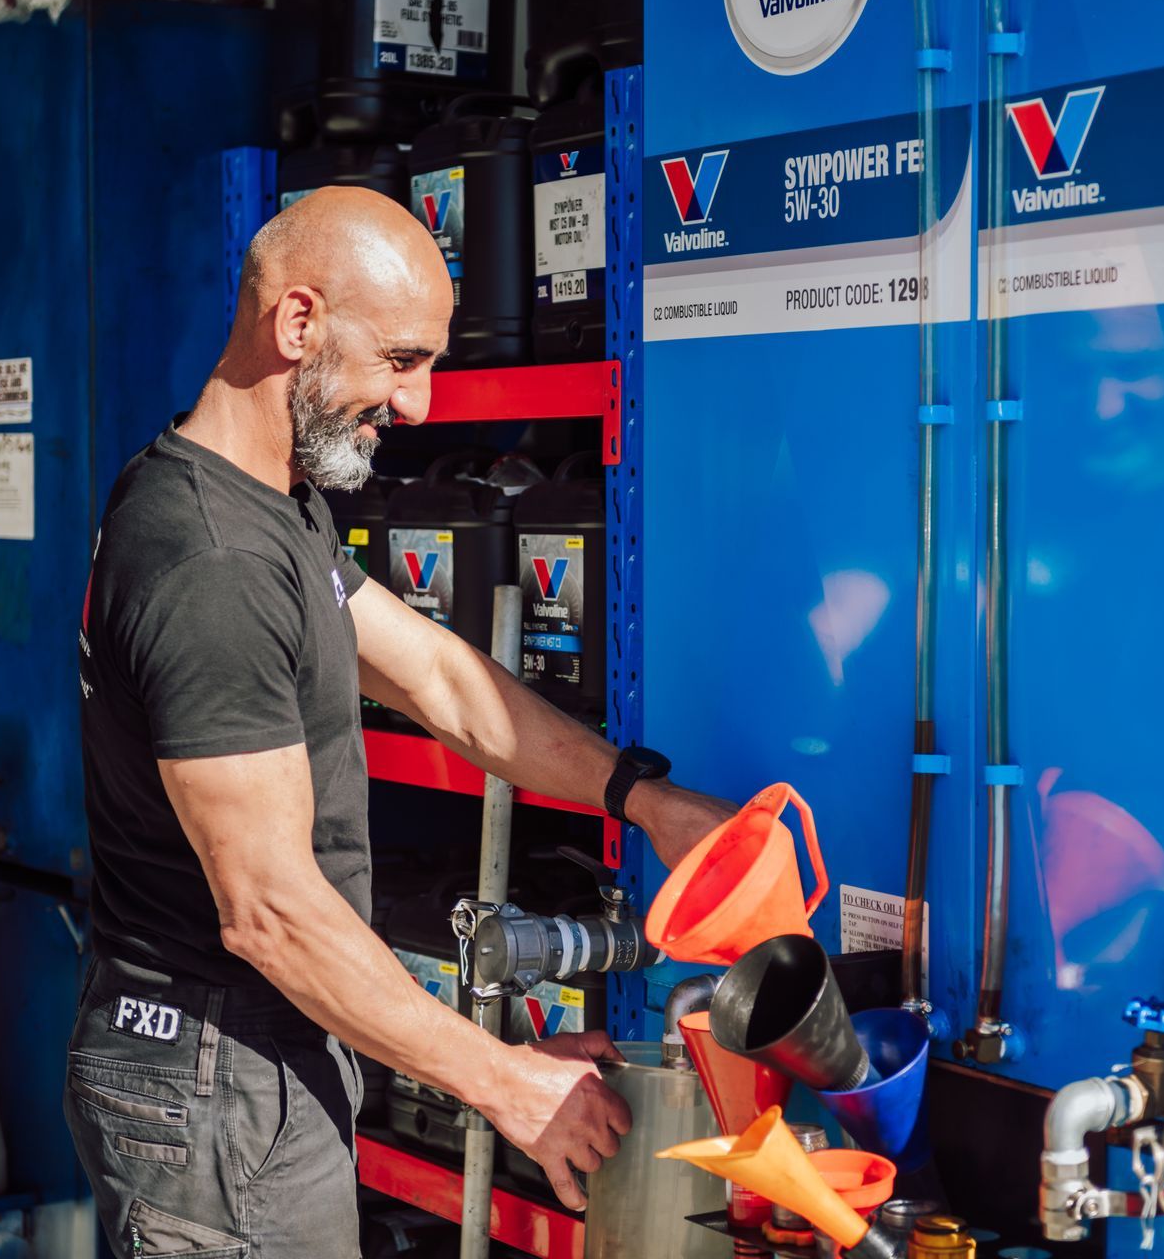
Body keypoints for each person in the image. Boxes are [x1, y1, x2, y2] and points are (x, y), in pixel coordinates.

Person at [66, 186, 736, 1257]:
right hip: (218, 1083)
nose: (418, 404)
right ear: (297, 324)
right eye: (400, 360)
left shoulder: (267, 504)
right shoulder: (212, 561)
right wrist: (509, 1082)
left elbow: (440, 677)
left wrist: (642, 799)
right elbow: (271, 911)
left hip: (250, 1067)